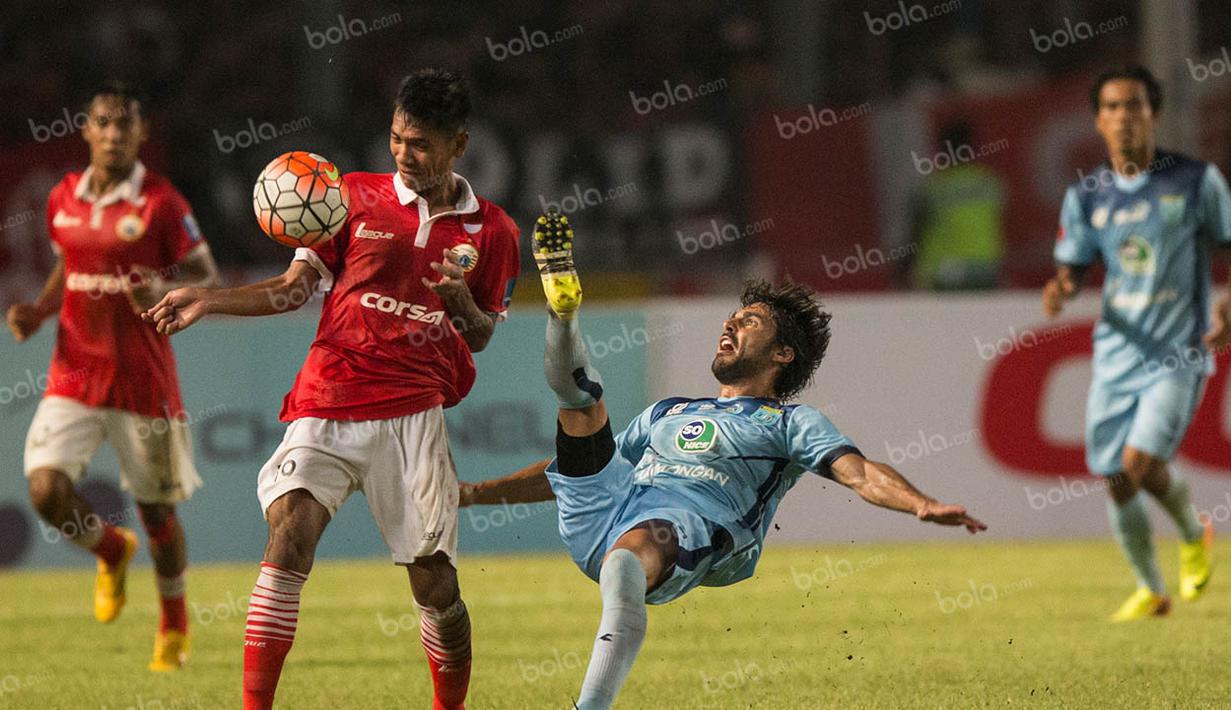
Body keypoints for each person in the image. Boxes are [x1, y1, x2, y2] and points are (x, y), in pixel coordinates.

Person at [459, 211, 986, 709]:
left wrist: (919, 504)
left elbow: (860, 472)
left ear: (783, 355)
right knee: (581, 401)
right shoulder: (669, 411)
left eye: (750, 321)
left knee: (628, 557)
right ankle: (563, 311)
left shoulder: (788, 422)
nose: (730, 327)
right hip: (609, 509)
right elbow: (579, 472)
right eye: (731, 319)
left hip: (696, 526)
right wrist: (473, 494)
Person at [144, 68, 520, 710]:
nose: (405, 154)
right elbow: (293, 290)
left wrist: (460, 303)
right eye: (398, 139)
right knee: (289, 531)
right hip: (329, 396)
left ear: (459, 145)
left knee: (436, 587)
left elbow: (481, 336)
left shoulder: (495, 234)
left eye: (422, 144)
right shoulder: (349, 197)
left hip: (412, 417)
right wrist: (207, 300)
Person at [7, 81, 220, 671]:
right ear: (87, 129)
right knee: (46, 490)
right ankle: (109, 548)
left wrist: (163, 283)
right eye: (103, 122)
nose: (113, 133)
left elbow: (206, 270)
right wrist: (39, 310)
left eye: (125, 124)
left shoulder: (161, 201)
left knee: (156, 512)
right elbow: (67, 265)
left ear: (141, 133)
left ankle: (174, 623)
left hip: (142, 382)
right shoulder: (62, 197)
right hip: (73, 373)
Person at [1043, 65, 1231, 621]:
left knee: (1138, 460)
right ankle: (1151, 589)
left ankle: (1193, 533)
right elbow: (1072, 268)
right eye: (1114, 108)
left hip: (1178, 352)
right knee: (1118, 476)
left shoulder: (1197, 180)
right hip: (1116, 354)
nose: (1125, 117)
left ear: (1154, 113)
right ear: (1098, 120)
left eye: (1135, 106)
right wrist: (1060, 288)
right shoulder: (1086, 196)